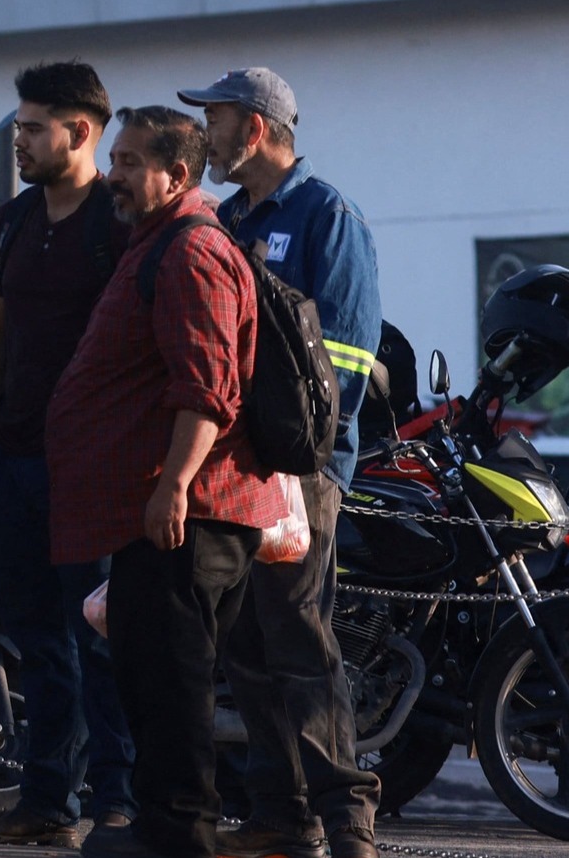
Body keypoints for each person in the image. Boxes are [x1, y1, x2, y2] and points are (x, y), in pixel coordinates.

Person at [51, 106, 285, 858]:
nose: (111, 176)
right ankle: (166, 829)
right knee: (155, 679)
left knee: (172, 683)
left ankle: (177, 836)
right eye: (114, 159)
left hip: (191, 514)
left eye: (128, 163)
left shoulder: (191, 252)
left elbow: (208, 388)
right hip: (164, 511)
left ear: (176, 174)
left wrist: (174, 484)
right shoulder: (157, 242)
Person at [181, 69, 381, 858]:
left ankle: (347, 820)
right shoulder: (229, 218)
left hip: (301, 473)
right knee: (247, 646)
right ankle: (280, 817)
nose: (208, 135)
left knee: (299, 638)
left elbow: (347, 358)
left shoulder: (327, 215)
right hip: (237, 472)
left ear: (256, 128)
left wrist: (302, 456)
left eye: (217, 118)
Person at [0, 62, 133, 846]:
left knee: (101, 637)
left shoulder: (117, 222)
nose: (18, 140)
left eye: (33, 128)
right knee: (36, 639)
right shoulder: (14, 222)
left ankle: (118, 805)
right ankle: (46, 804)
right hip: (15, 461)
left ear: (80, 132)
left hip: (92, 468)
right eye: (18, 126)